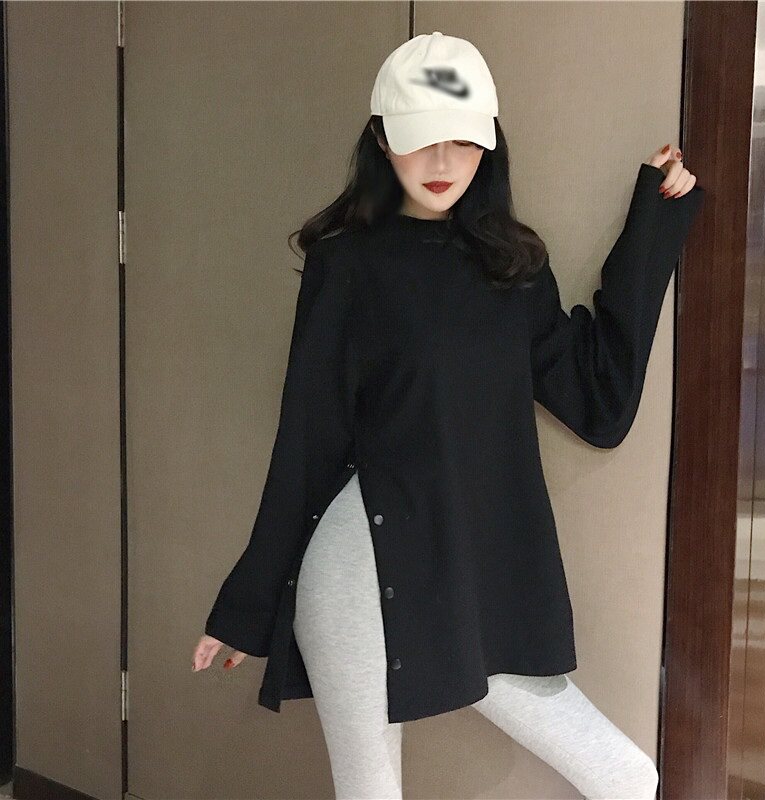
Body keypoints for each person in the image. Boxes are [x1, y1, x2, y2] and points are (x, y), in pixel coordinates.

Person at [192, 31, 705, 800]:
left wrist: (656, 224)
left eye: (462, 140)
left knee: (627, 777)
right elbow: (306, 439)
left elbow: (600, 404)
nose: (441, 163)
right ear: (381, 141)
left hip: (473, 569)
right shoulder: (347, 264)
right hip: (361, 566)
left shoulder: (514, 268)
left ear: (489, 141)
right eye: (419, 139)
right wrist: (249, 602)